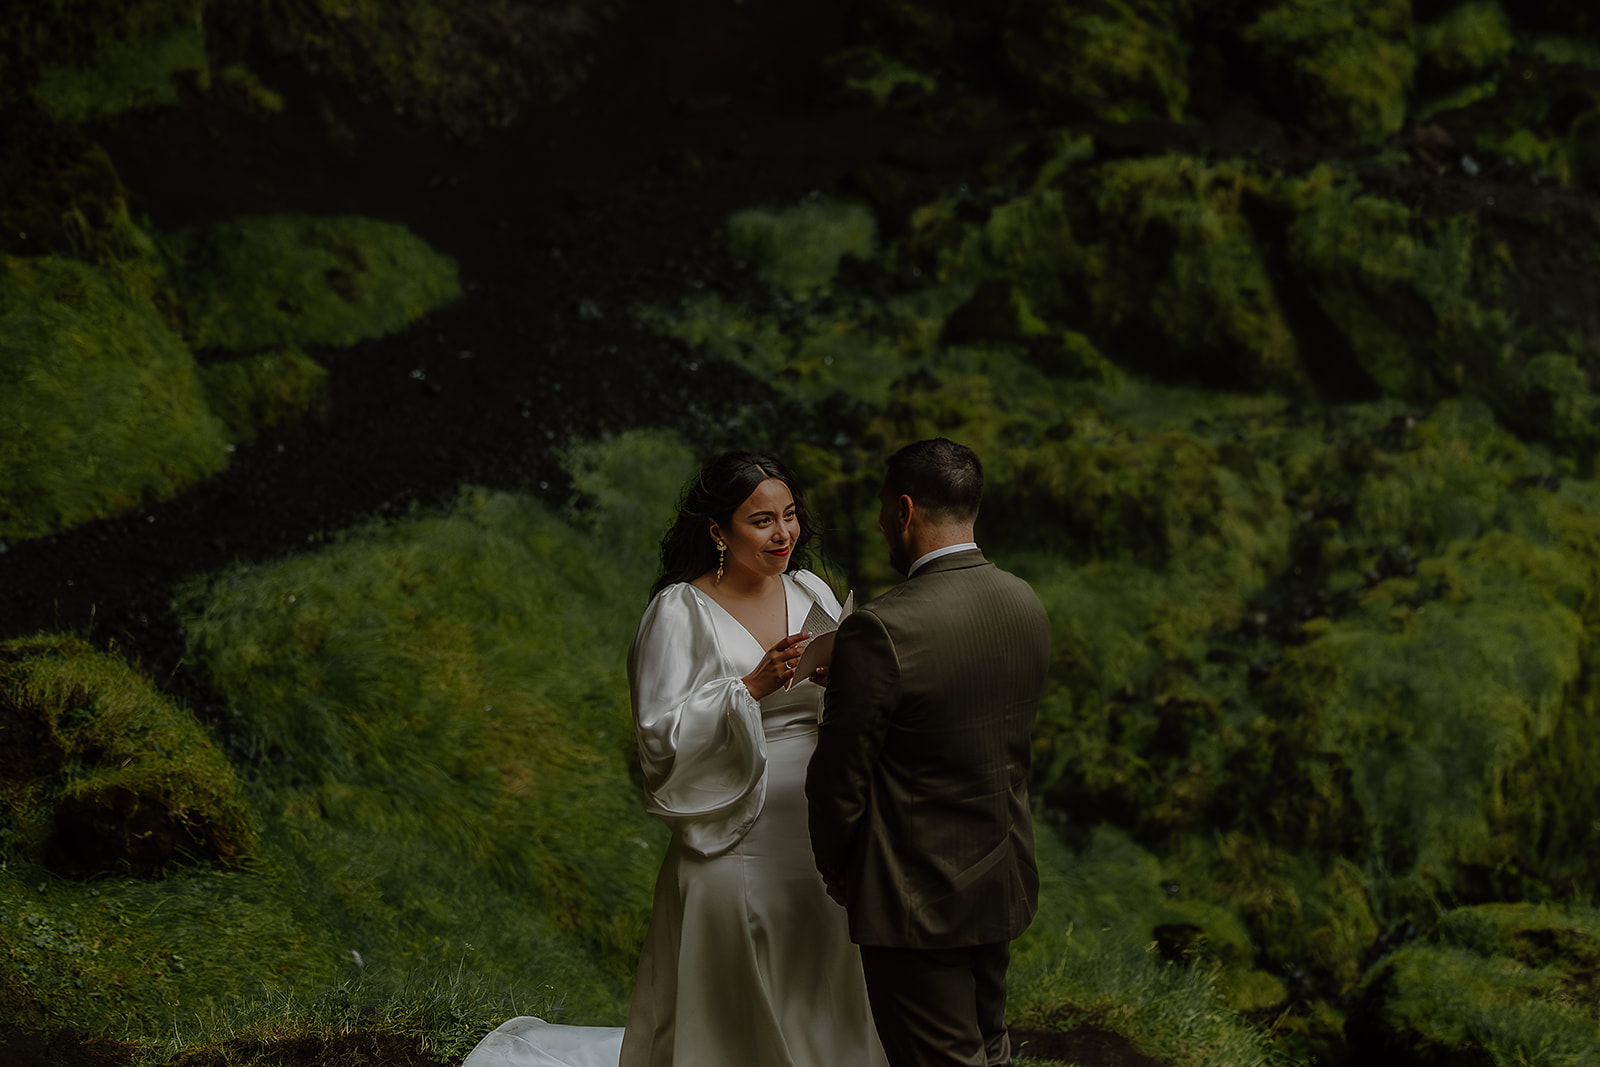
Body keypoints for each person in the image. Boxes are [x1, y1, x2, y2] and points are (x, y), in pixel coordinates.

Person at [463, 451, 885, 1067]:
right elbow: (659, 734)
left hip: (821, 819)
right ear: (718, 531)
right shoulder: (677, 612)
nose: (784, 534)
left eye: (790, 516)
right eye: (761, 521)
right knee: (735, 992)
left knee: (821, 970)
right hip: (734, 823)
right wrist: (752, 688)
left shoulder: (811, 590)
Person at [807, 438, 1051, 1067]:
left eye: (884, 510)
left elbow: (839, 778)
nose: (881, 523)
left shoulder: (882, 627)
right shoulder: (1024, 601)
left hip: (915, 893)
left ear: (905, 511)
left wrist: (842, 870)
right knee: (988, 1046)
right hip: (1000, 872)